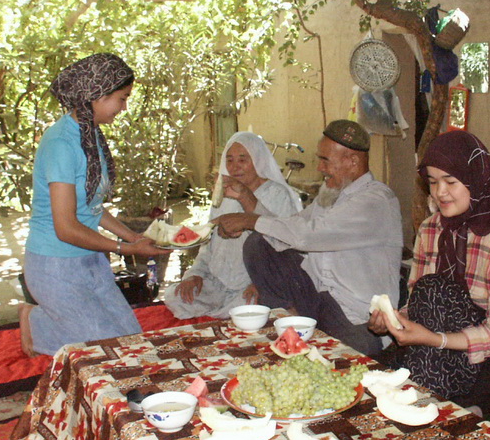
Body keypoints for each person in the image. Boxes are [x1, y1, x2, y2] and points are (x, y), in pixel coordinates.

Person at [369, 130, 490, 414]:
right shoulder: (431, 229)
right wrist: (393, 320)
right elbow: (420, 305)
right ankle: (430, 398)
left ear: (477, 179)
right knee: (432, 291)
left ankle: (430, 397)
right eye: (433, 182)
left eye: (451, 181)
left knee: (436, 290)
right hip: (437, 349)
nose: (440, 192)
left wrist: (432, 339)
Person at [20, 53, 168, 357]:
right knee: (109, 352)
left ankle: (47, 323)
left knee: (134, 345)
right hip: (54, 266)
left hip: (90, 263)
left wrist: (135, 238)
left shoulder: (91, 135)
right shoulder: (61, 143)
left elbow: (93, 208)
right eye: (122, 98)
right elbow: (66, 227)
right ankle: (35, 324)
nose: (124, 107)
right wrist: (126, 249)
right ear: (96, 95)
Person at [215, 120, 402, 357]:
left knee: (336, 366)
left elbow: (308, 234)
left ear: (352, 161)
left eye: (325, 160)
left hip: (355, 315)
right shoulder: (332, 194)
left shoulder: (376, 200)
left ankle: (319, 336)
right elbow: (289, 229)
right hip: (318, 299)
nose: (320, 168)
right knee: (259, 244)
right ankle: (287, 319)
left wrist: (248, 221)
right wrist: (246, 200)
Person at [163, 132, 302, 319]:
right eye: (229, 160)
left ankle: (226, 313)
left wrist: (262, 283)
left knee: (250, 304)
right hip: (217, 283)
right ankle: (223, 313)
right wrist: (194, 275)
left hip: (251, 286)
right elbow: (208, 245)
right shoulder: (224, 195)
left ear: (258, 160)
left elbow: (286, 247)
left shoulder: (278, 195)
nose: (235, 167)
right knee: (175, 296)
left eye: (242, 160)